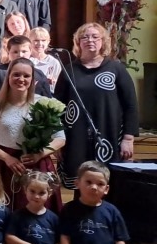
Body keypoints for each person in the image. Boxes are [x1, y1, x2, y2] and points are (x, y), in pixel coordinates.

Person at [55, 23, 138, 186]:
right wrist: (57, 140)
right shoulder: (69, 70)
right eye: (84, 37)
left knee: (109, 183)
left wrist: (128, 138)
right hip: (76, 137)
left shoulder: (116, 69)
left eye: (95, 37)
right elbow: (57, 106)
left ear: (103, 41)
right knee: (80, 182)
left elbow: (130, 105)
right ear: (78, 42)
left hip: (109, 135)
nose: (90, 40)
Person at [0, 58, 65, 214]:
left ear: (32, 79)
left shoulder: (44, 102)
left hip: (36, 162)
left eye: (26, 76)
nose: (21, 79)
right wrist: (7, 158)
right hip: (5, 162)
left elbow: (60, 138)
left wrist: (40, 154)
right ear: (8, 76)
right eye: (16, 74)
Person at [0, 35, 52, 100]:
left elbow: (47, 99)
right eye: (15, 52)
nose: (20, 55)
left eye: (24, 51)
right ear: (8, 51)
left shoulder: (38, 74)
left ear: (30, 51)